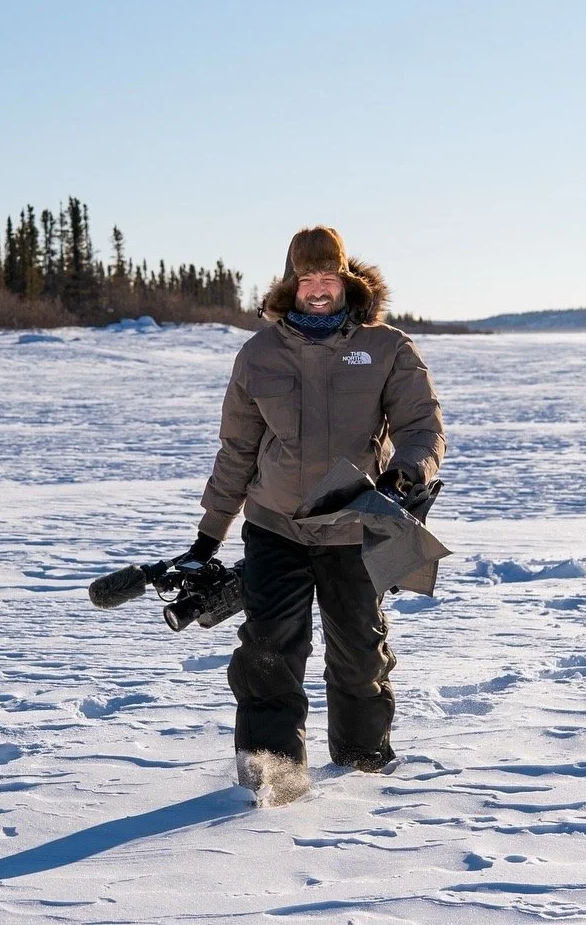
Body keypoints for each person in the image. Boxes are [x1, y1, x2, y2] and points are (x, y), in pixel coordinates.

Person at [185, 226, 445, 801]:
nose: (319, 288)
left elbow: (422, 426)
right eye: (307, 278)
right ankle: (270, 777)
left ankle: (363, 766)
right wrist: (207, 540)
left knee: (358, 654)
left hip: (355, 525)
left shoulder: (387, 348)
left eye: (328, 276)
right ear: (292, 283)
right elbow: (236, 453)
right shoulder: (259, 355)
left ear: (345, 279)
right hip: (275, 525)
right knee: (269, 652)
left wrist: (409, 472)